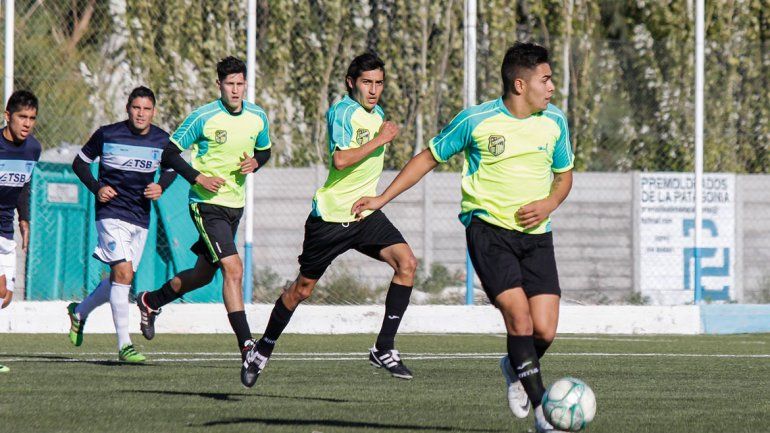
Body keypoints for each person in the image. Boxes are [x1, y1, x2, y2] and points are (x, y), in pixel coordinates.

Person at [352, 42, 574, 432]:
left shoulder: (554, 121)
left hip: (537, 235)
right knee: (519, 322)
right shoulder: (476, 120)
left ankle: (515, 366)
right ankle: (544, 413)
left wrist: (550, 203)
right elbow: (427, 158)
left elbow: (564, 175)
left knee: (545, 329)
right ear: (520, 85)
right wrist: (382, 197)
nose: (552, 87)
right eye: (546, 79)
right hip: (488, 232)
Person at [242, 52, 418, 387]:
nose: (374, 89)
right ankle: (263, 348)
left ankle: (384, 347)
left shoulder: (378, 114)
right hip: (331, 218)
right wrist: (381, 139)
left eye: (379, 83)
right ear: (352, 83)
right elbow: (339, 160)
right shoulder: (343, 111)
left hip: (364, 213)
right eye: (367, 82)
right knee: (302, 290)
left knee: (407, 263)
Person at [135, 56, 271, 386]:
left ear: (246, 84)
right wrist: (198, 178)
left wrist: (257, 161)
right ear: (219, 85)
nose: (235, 90)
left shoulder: (258, 117)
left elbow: (265, 151)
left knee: (202, 275)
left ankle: (151, 301)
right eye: (229, 84)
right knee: (234, 269)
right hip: (206, 205)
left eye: (240, 83)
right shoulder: (204, 117)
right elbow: (168, 152)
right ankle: (247, 347)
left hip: (234, 207)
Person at [67, 86, 177, 363]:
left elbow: (173, 167)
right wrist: (97, 187)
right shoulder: (108, 134)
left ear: (154, 112)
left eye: (147, 109)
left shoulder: (162, 139)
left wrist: (161, 185)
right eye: (136, 108)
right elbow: (79, 164)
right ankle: (124, 345)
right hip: (110, 213)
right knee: (124, 274)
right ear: (128, 109)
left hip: (140, 218)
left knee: (120, 278)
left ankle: (79, 312)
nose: (141, 114)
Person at [0, 90, 42, 373]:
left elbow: (24, 184)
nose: (27, 123)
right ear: (7, 116)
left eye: (32, 118)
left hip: (6, 229)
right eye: (21, 117)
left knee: (6, 297)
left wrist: (23, 218)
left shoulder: (33, 149)